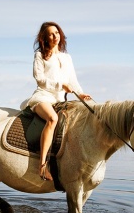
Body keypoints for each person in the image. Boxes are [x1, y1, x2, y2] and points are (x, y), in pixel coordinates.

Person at [21, 21, 91, 181]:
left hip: (60, 99)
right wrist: (60, 85)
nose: (55, 36)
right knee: (52, 119)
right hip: (43, 97)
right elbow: (39, 79)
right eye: (51, 34)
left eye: (57, 33)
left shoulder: (67, 57)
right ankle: (42, 167)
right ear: (44, 38)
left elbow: (73, 80)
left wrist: (80, 94)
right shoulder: (40, 55)